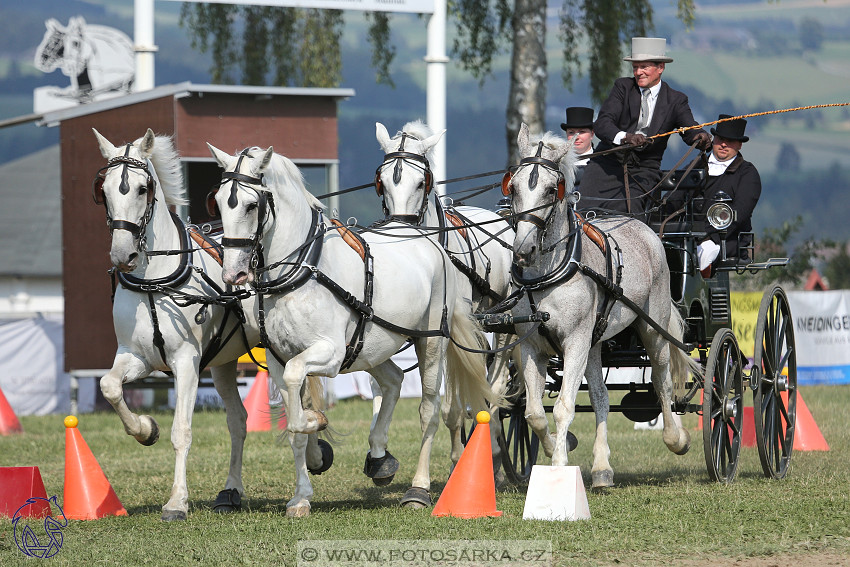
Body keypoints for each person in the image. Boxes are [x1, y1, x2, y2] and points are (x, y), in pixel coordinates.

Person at [578, 37, 712, 216]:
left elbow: (690, 129)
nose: (638, 72)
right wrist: (625, 137)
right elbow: (603, 123)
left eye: (644, 67)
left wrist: (700, 137)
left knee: (629, 219)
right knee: (583, 213)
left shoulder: (676, 100)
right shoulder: (622, 87)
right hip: (606, 164)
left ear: (660, 68)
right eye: (635, 67)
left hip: (643, 172)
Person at [695, 114, 761, 274]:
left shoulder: (747, 174)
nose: (724, 145)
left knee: (703, 253)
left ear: (739, 145)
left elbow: (741, 212)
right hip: (691, 234)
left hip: (726, 239)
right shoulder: (696, 165)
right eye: (720, 139)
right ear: (714, 140)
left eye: (730, 141)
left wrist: (709, 236)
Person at [560, 106, 595, 187]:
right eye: (571, 132)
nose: (576, 137)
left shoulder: (602, 162)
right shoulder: (559, 164)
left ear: (592, 134)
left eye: (582, 132)